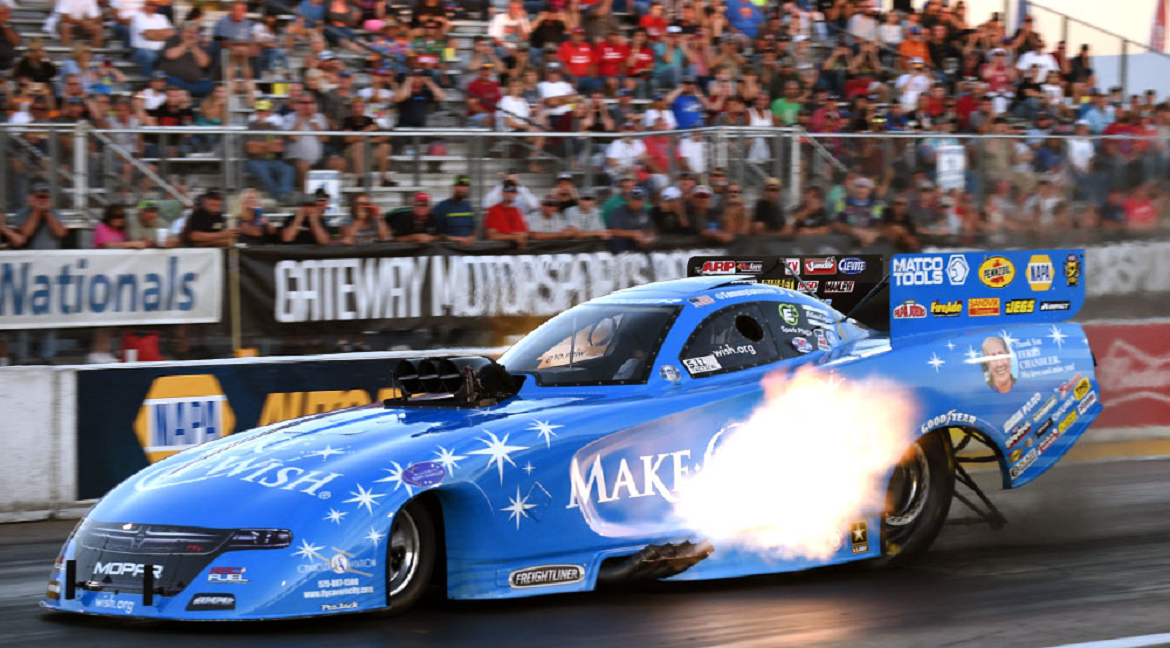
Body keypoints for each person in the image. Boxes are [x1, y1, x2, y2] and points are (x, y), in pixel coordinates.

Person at [244, 99, 294, 203]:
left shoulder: (275, 127)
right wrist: (269, 145)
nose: (261, 113)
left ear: (269, 112)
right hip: (255, 160)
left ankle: (284, 193)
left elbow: (279, 148)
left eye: (264, 111)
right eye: (259, 111)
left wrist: (260, 145)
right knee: (262, 172)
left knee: (288, 169)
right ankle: (278, 195)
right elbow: (251, 149)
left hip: (273, 160)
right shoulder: (250, 127)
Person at [159, 21, 214, 97]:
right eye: (188, 32)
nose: (191, 35)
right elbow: (170, 55)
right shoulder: (173, 39)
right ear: (181, 33)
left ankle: (185, 93)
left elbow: (204, 63)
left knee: (209, 85)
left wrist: (194, 47)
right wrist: (185, 45)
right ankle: (185, 94)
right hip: (175, 80)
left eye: (194, 33)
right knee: (171, 81)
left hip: (194, 84)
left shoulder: (199, 44)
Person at [14, 184, 68, 250]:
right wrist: (37, 211)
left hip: (50, 254)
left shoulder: (54, 213)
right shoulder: (23, 213)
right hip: (29, 255)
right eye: (39, 196)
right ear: (31, 198)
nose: (42, 200)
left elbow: (60, 233)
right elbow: (26, 233)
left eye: (45, 197)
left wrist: (47, 212)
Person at [432, 175, 478, 245]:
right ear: (453, 187)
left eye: (464, 186)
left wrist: (473, 237)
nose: (461, 189)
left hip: (467, 252)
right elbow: (437, 235)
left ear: (468, 188)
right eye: (459, 185)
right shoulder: (441, 207)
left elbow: (473, 229)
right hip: (447, 251)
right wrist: (460, 240)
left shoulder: (469, 208)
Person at [608, 185, 655, 252]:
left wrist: (649, 238)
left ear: (644, 201)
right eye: (633, 199)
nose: (635, 202)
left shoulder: (645, 212)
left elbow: (650, 230)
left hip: (640, 245)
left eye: (639, 200)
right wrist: (633, 234)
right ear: (628, 198)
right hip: (622, 246)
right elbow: (613, 231)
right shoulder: (618, 211)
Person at [483, 182, 529, 247]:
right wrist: (514, 237)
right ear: (503, 192)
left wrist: (520, 236)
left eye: (514, 191)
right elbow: (491, 236)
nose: (511, 193)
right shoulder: (493, 210)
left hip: (516, 252)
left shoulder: (517, 211)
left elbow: (525, 233)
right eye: (508, 190)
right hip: (499, 253)